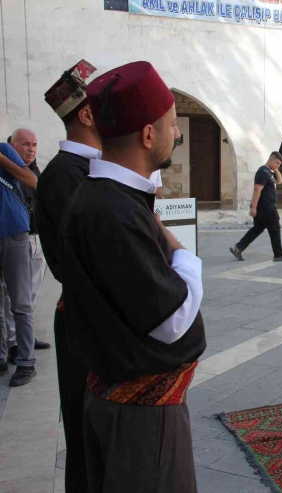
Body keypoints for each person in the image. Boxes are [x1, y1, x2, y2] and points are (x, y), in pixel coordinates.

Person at [60, 61, 206, 493]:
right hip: (141, 420)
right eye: (172, 125)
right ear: (147, 135)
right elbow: (171, 320)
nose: (176, 135)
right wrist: (184, 256)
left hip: (127, 408)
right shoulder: (114, 211)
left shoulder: (106, 199)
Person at [36, 59, 101, 493]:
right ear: (86, 114)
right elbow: (84, 260)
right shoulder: (65, 175)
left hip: (93, 317)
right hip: (84, 320)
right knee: (84, 433)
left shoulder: (86, 170)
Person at [2, 128, 51, 360]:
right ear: (12, 144)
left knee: (27, 295)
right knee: (12, 297)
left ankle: (24, 344)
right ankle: (12, 345)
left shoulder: (31, 170)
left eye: (34, 145)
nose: (31, 149)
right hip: (17, 238)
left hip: (29, 237)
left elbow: (40, 193)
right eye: (25, 144)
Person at [0, 141, 39, 386]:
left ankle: (26, 362)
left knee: (20, 302)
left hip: (13, 232)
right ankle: (1, 358)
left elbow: (31, 179)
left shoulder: (4, 150)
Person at [229, 152, 282, 262]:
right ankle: (278, 254)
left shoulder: (269, 172)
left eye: (279, 164)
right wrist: (253, 207)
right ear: (270, 160)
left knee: (257, 229)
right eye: (277, 163)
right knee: (275, 229)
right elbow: (257, 190)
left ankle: (238, 248)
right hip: (266, 207)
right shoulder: (262, 172)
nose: (278, 165)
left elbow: (280, 181)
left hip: (266, 206)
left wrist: (276, 169)